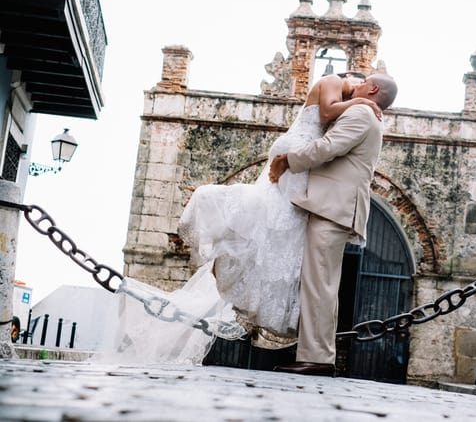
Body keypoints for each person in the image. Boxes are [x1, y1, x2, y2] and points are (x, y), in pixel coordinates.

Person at [96, 72, 380, 364]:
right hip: (296, 153)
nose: (356, 90)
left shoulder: (356, 111)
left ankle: (262, 285)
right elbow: (327, 113)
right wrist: (360, 100)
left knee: (283, 228)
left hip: (304, 163)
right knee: (276, 221)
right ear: (352, 77)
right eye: (358, 83)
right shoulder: (334, 81)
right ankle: (224, 231)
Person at [269, 72, 398, 376]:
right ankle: (317, 354)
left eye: (365, 81)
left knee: (320, 284)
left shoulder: (363, 112)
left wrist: (288, 160)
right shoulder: (365, 113)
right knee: (322, 283)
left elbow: (328, 146)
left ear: (373, 89)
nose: (358, 84)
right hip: (333, 205)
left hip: (334, 206)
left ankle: (317, 358)